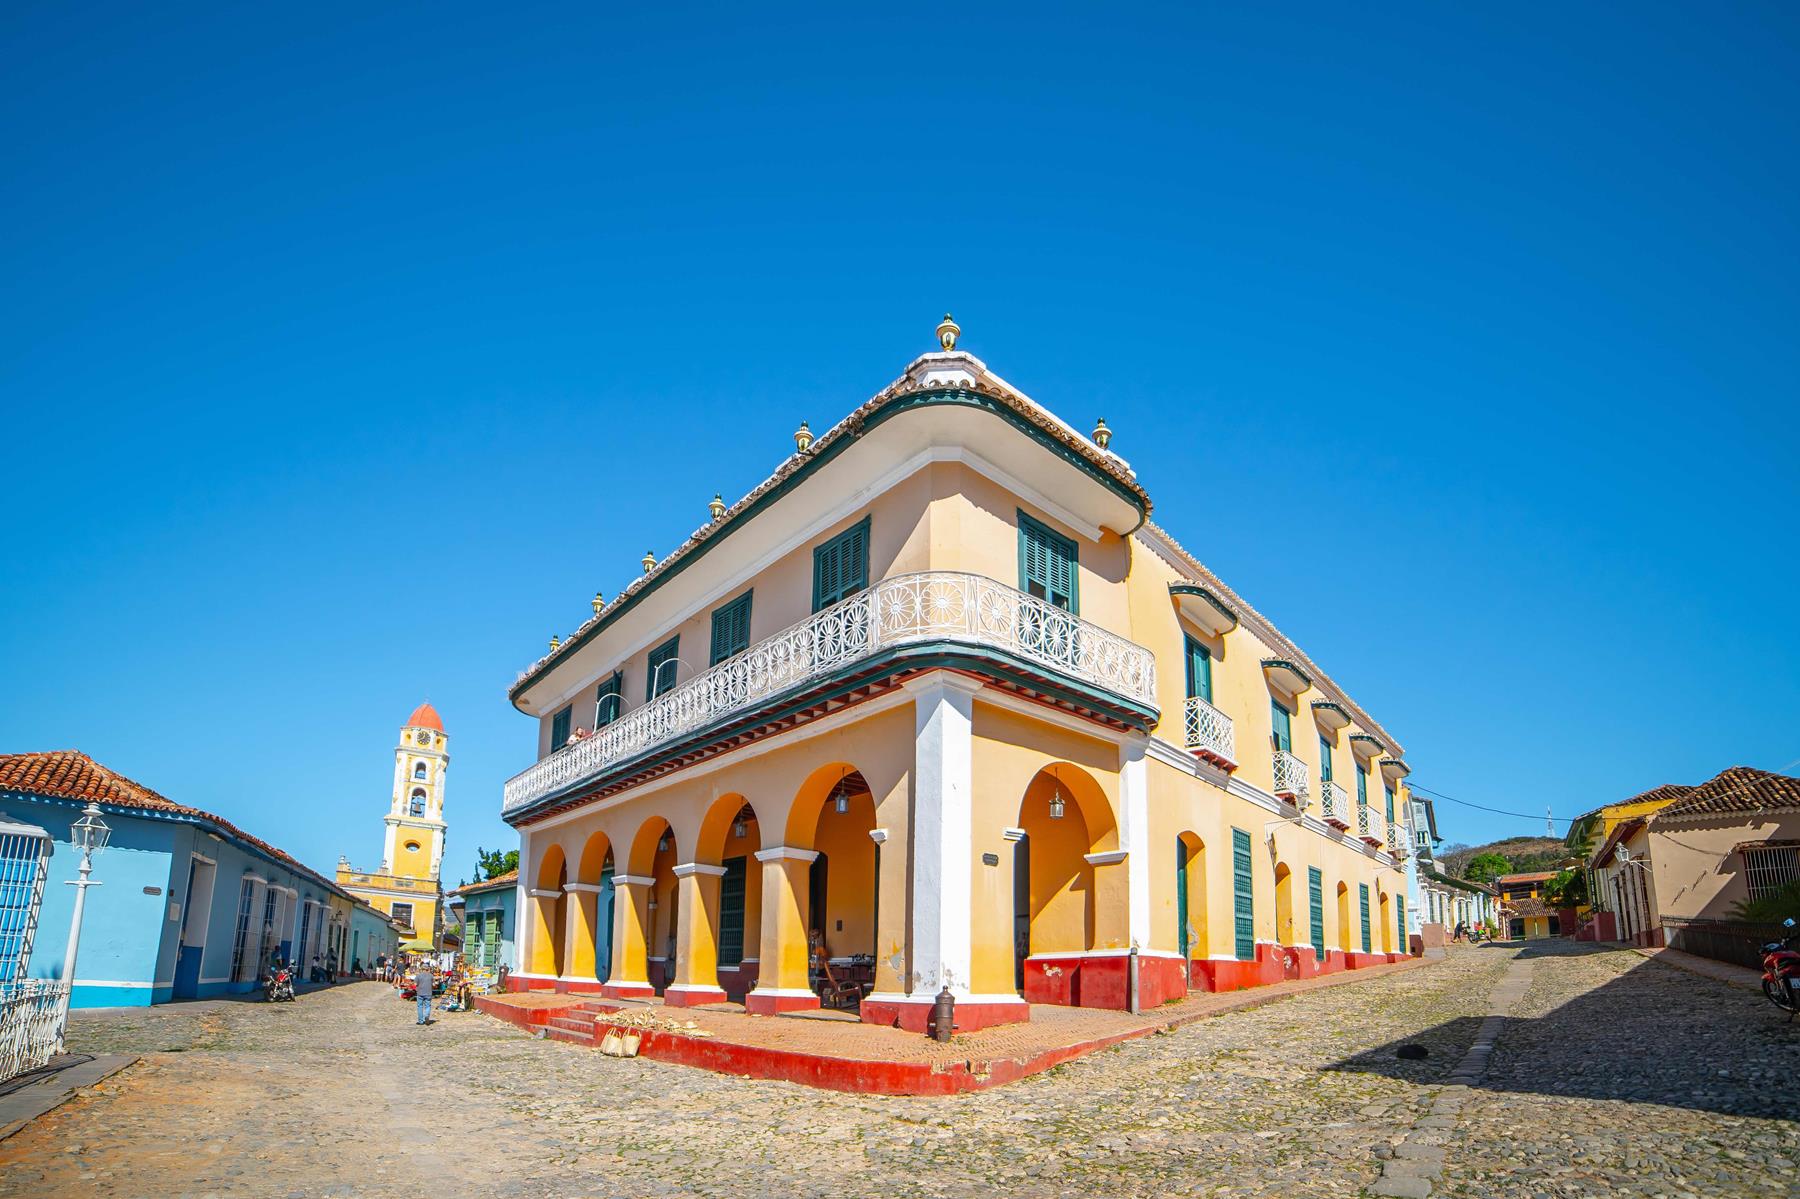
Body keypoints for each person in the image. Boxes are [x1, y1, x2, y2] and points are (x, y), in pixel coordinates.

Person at [414, 960, 434, 1024]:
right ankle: (427, 1016)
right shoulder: (431, 975)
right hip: (428, 993)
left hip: (420, 993)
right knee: (428, 1006)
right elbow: (433, 984)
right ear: (427, 969)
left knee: (420, 1007)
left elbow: (415, 984)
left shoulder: (418, 975)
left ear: (422, 969)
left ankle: (420, 1021)